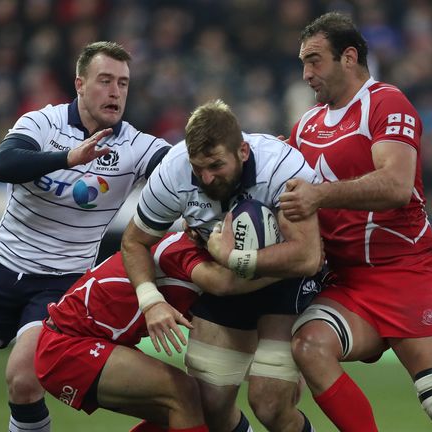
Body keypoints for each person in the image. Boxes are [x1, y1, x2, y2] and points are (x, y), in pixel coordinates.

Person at [0, 41, 172, 432]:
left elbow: (181, 168)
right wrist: (68, 158)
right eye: (105, 80)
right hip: (0, 271)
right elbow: (3, 164)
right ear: (79, 84)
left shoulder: (136, 145)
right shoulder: (42, 123)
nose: (115, 92)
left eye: (123, 84)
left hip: (60, 286)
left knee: (24, 383)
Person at [280, 12, 432, 432]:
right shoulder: (306, 125)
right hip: (348, 283)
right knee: (309, 346)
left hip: (406, 274)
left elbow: (396, 185)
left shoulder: (385, 102)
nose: (306, 74)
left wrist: (319, 194)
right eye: (303, 63)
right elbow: (277, 178)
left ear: (349, 57)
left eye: (314, 60)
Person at [121, 99, 322, 432]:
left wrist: (233, 258)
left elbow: (308, 256)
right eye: (198, 167)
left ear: (242, 151)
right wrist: (150, 300)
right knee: (209, 406)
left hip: (286, 282)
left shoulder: (281, 166)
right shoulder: (172, 172)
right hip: (226, 281)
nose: (206, 177)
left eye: (215, 165)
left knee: (270, 405)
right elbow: (133, 241)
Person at [35, 230, 296, 432]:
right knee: (183, 392)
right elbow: (224, 283)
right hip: (67, 346)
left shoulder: (195, 252)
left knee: (200, 410)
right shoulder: (182, 252)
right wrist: (295, 263)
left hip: (78, 342)